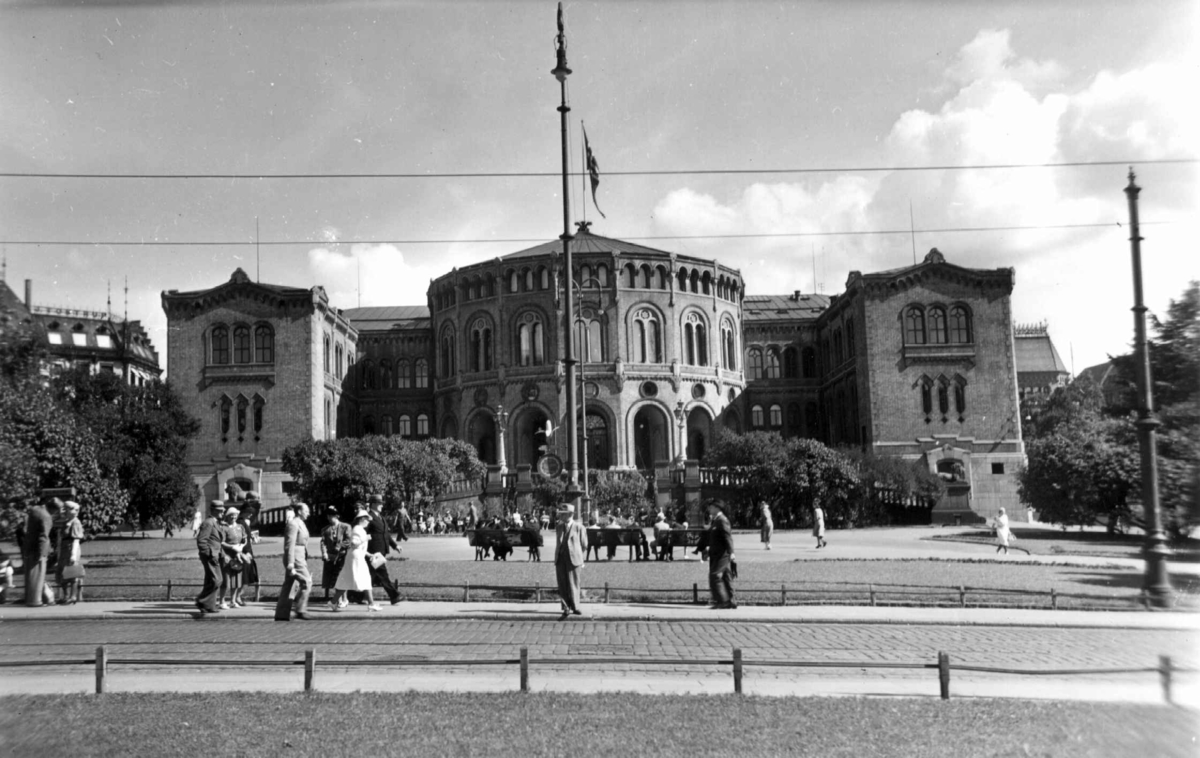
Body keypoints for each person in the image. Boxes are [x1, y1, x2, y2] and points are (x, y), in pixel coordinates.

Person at [274, 501, 312, 621]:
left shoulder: (300, 523)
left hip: (300, 557)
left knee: (289, 585)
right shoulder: (294, 524)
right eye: (306, 511)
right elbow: (290, 544)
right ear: (299, 511)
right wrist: (290, 562)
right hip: (295, 558)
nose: (308, 513)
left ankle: (281, 614)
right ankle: (300, 609)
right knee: (306, 581)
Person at [333, 511, 378, 611]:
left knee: (346, 580)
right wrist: (365, 538)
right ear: (362, 519)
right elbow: (353, 543)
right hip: (356, 558)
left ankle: (333, 602)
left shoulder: (360, 529)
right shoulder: (358, 529)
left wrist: (369, 554)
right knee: (365, 578)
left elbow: (357, 547)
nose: (368, 522)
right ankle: (371, 604)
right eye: (366, 519)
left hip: (356, 556)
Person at [365, 494, 403, 605]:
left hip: (381, 551)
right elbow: (363, 534)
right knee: (383, 574)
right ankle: (394, 596)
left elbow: (386, 534)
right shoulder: (368, 517)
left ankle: (355, 596)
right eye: (379, 503)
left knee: (371, 576)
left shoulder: (380, 517)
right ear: (373, 504)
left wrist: (395, 546)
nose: (382, 505)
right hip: (374, 553)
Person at [554, 504, 588, 620]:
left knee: (574, 583)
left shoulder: (579, 527)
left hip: (574, 559)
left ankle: (575, 606)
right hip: (560, 559)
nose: (561, 516)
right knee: (562, 584)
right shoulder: (559, 527)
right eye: (561, 514)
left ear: (570, 514)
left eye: (563, 514)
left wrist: (578, 555)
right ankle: (565, 607)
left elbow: (584, 545)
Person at [195, 500, 225, 614]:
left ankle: (209, 606)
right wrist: (209, 554)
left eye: (223, 510)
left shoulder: (215, 522)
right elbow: (202, 541)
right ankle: (202, 600)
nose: (222, 513)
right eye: (219, 511)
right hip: (210, 556)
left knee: (210, 581)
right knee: (217, 580)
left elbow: (216, 541)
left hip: (215, 555)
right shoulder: (208, 522)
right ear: (212, 511)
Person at [706, 501, 736, 609]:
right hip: (717, 554)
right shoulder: (716, 520)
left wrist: (732, 552)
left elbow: (727, 537)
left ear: (717, 508)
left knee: (714, 576)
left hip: (722, 554)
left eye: (711, 507)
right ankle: (731, 601)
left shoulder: (722, 520)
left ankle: (723, 601)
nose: (709, 509)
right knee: (726, 577)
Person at [56, 501, 85, 604]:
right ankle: (66, 595)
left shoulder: (76, 522)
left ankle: (72, 596)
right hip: (64, 550)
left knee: (72, 572)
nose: (76, 511)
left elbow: (76, 540)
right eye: (72, 509)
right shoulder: (66, 522)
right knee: (62, 572)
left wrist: (73, 555)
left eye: (76, 509)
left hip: (71, 549)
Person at [217, 507, 245, 609]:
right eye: (231, 515)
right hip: (227, 556)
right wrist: (232, 547)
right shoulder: (224, 528)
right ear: (227, 516)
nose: (233, 517)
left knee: (236, 579)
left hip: (237, 556)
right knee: (226, 580)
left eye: (235, 515)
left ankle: (233, 601)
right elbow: (222, 542)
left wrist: (241, 546)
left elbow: (244, 540)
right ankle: (221, 601)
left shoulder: (240, 527)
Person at [320, 506, 350, 600]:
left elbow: (349, 540)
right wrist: (324, 553)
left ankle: (344, 599)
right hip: (330, 557)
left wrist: (339, 546)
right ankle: (339, 599)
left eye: (331, 515)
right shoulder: (325, 529)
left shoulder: (346, 527)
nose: (329, 517)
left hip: (342, 556)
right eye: (328, 515)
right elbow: (323, 542)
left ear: (337, 516)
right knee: (333, 579)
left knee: (342, 577)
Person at [237, 502, 260, 600]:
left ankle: (237, 597)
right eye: (249, 512)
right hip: (245, 552)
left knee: (247, 577)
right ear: (244, 511)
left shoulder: (243, 522)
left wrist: (252, 537)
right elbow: (240, 538)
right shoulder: (240, 522)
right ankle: (237, 597)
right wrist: (246, 552)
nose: (251, 514)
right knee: (244, 577)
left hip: (248, 551)